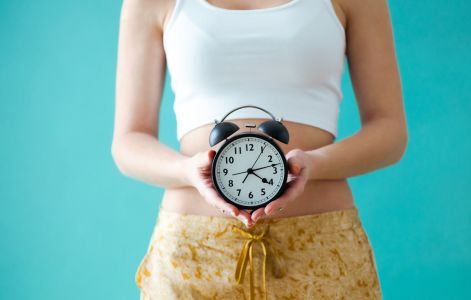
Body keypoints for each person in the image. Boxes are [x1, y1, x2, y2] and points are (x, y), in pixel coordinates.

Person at [112, 0, 407, 299]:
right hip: (192, 252)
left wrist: (314, 164)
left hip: (321, 245)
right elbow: (129, 141)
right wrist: (188, 171)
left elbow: (390, 131)